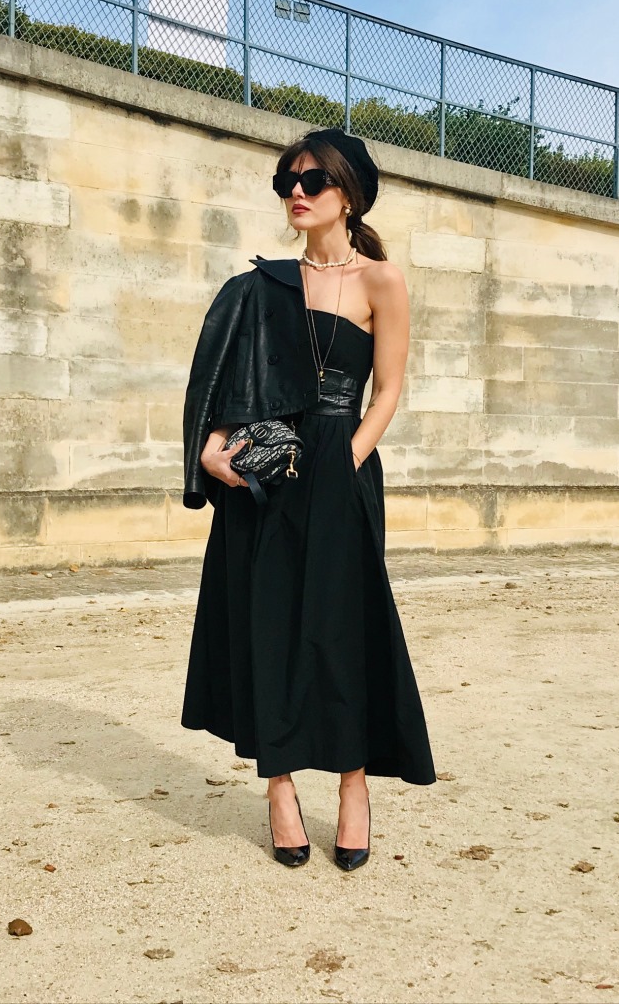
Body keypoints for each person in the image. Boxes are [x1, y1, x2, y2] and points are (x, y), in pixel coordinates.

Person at [181, 128, 436, 871]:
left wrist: (347, 459)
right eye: (286, 181)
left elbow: (387, 391)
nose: (296, 191)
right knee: (267, 625)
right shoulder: (261, 287)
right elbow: (226, 384)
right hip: (265, 476)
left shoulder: (382, 282)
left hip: (339, 465)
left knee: (341, 627)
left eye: (312, 180)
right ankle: (281, 788)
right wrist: (211, 448)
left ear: (348, 194)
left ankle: (354, 785)